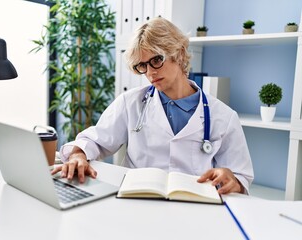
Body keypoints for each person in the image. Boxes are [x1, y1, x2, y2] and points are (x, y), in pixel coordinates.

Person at [52, 17, 254, 195]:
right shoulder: (130, 103)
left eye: (157, 60)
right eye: (143, 65)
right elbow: (96, 140)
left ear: (180, 53)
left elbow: (240, 178)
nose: (150, 72)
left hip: (193, 207)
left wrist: (231, 180)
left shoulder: (224, 117)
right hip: (137, 200)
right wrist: (79, 155)